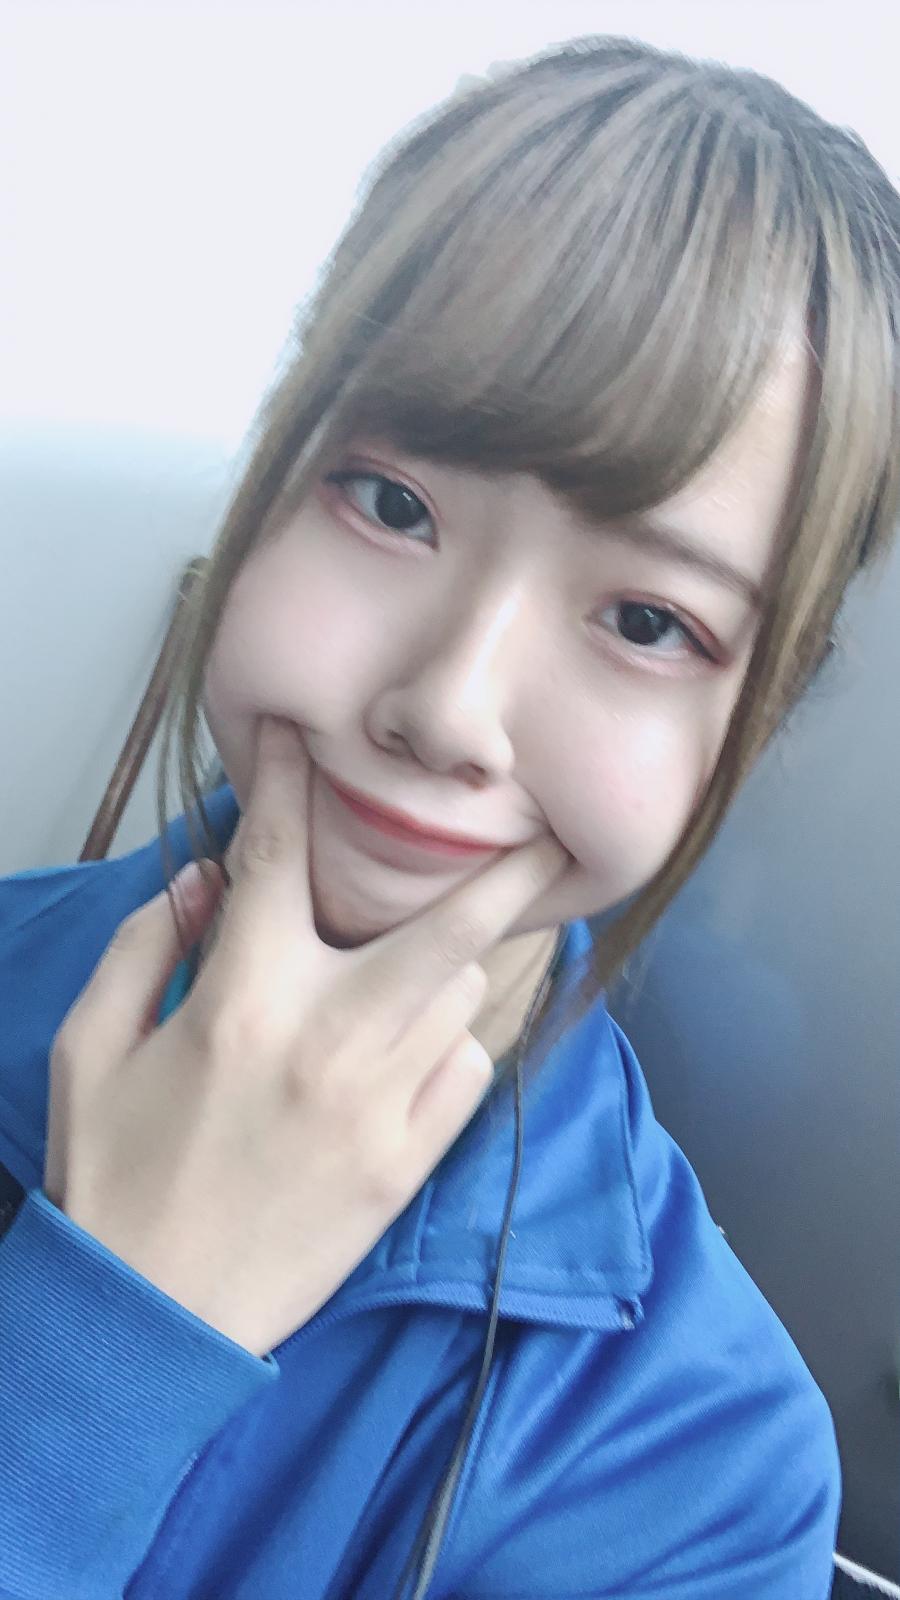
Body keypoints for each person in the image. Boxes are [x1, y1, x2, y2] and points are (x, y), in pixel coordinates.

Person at [1, 32, 897, 1600]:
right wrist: (111, 1332)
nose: (449, 706)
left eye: (647, 621)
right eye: (392, 503)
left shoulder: (706, 1476)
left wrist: (118, 1343)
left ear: (753, 718)